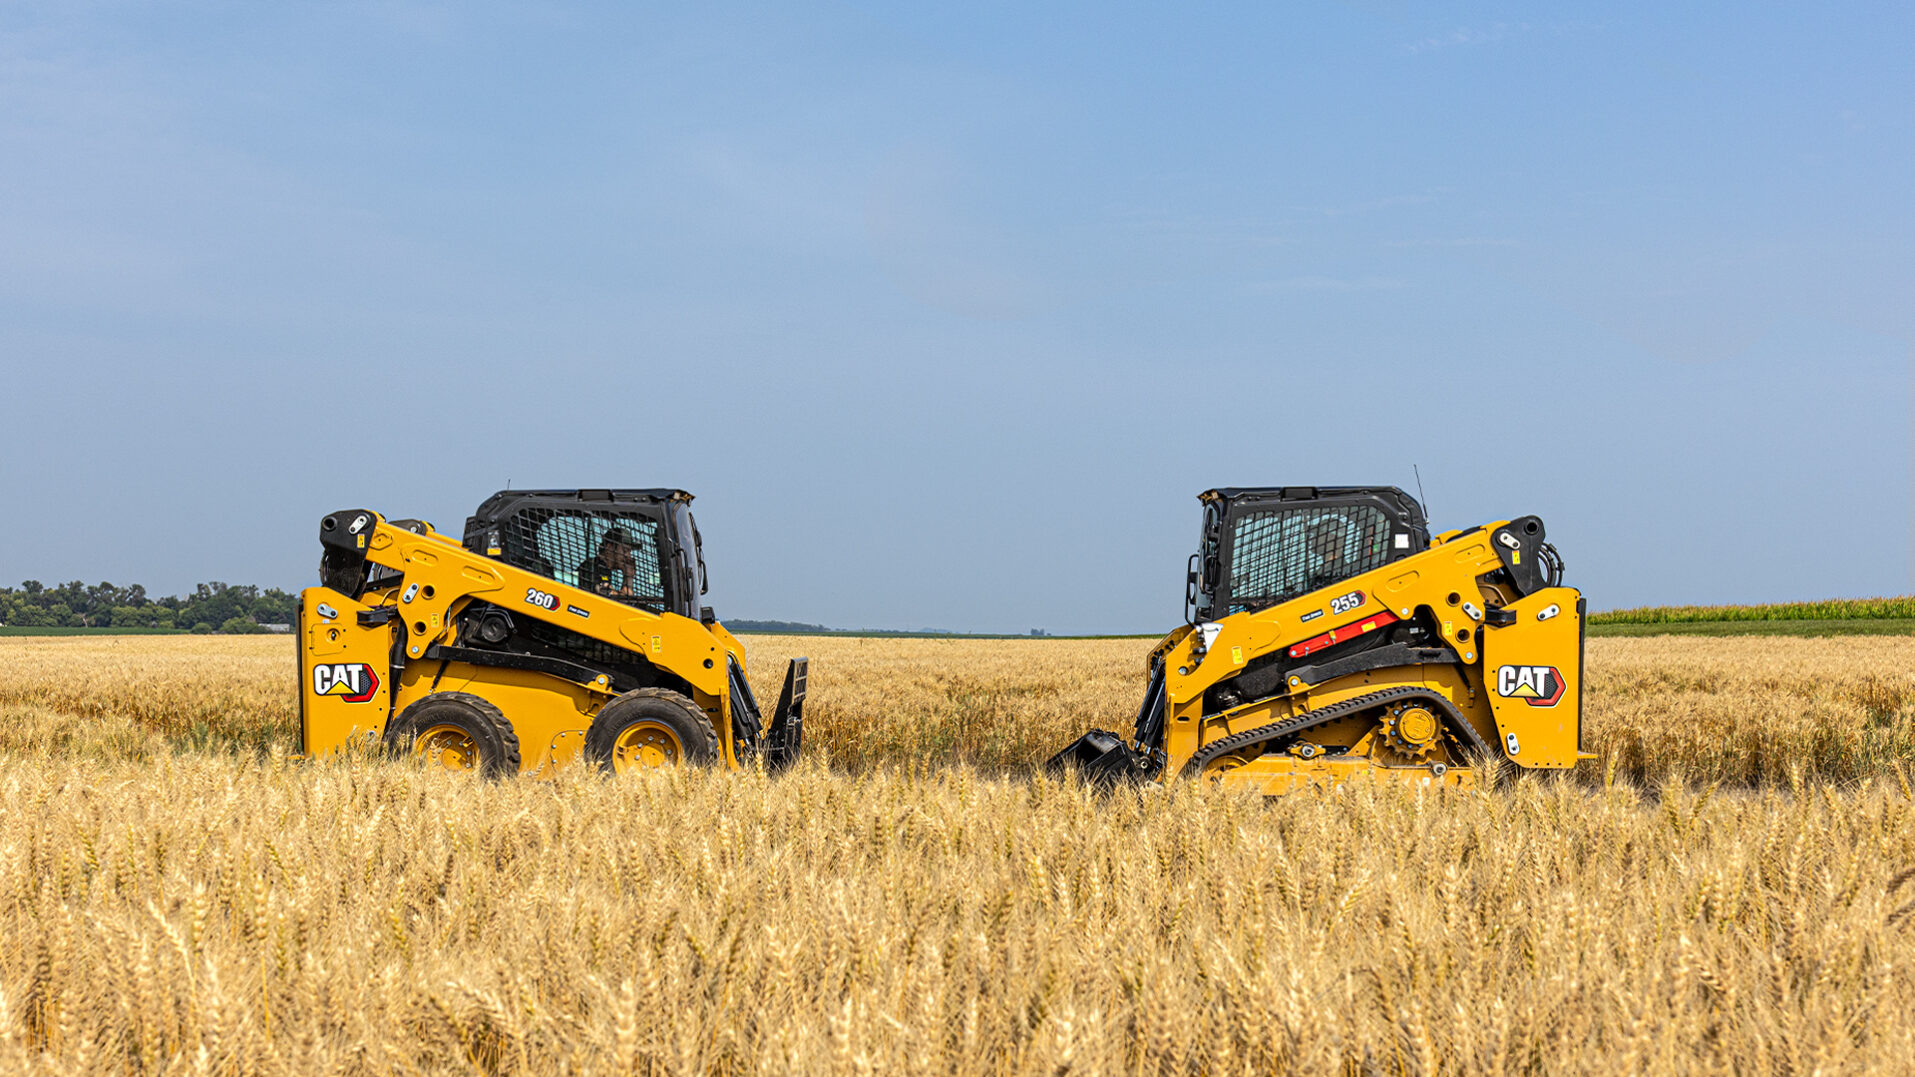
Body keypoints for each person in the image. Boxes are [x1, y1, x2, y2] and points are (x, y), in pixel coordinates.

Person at [579, 528, 641, 597]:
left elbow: (627, 598)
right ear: (609, 547)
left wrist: (628, 576)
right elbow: (610, 595)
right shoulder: (594, 566)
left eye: (629, 552)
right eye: (625, 551)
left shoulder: (605, 569)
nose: (628, 556)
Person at [1306, 518, 1348, 590]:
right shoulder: (1322, 571)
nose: (1311, 539)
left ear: (1331, 537)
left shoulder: (1340, 573)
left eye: (1316, 534)